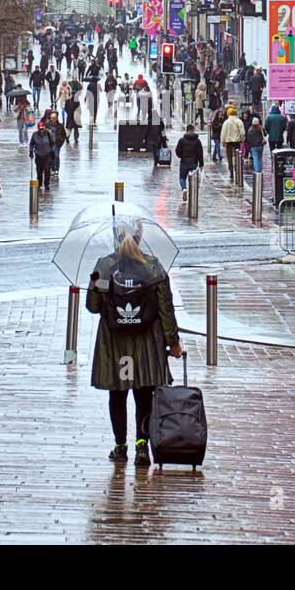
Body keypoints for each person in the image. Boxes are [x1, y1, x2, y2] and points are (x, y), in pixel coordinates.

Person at [85, 228, 183, 466]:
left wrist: (96, 283)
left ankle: (120, 446)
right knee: (143, 393)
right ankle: (142, 445)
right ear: (140, 236)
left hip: (115, 343)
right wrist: (173, 341)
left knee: (117, 394)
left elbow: (93, 306)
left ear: (116, 237)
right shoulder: (153, 266)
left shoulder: (105, 266)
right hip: (146, 341)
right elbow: (165, 308)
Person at [174, 123, 204, 207]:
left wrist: (181, 156)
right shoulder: (197, 141)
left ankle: (184, 188)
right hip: (194, 163)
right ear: (193, 130)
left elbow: (177, 151)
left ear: (186, 130)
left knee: (182, 178)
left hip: (184, 162)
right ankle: (192, 194)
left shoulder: (182, 140)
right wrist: (201, 164)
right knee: (193, 179)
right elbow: (200, 153)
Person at [221, 106, 245, 183]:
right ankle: (237, 168)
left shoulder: (226, 122)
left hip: (228, 142)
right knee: (237, 155)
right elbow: (242, 132)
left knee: (229, 157)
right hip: (237, 141)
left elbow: (223, 133)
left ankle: (231, 170)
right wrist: (242, 139)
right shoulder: (239, 121)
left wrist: (223, 141)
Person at [29, 119, 55, 190]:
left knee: (47, 170)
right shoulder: (34, 134)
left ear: (44, 127)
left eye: (42, 129)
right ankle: (39, 184)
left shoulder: (49, 133)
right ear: (38, 128)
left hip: (47, 155)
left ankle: (47, 184)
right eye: (40, 129)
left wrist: (53, 151)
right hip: (38, 156)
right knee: (39, 171)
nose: (41, 130)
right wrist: (31, 151)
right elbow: (31, 144)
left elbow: (53, 143)